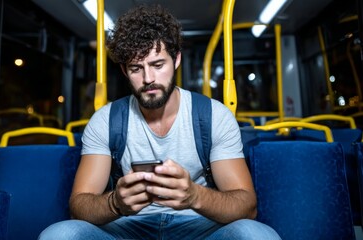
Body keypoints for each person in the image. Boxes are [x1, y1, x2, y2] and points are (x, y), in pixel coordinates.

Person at [39, 4, 281, 240]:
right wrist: (115, 203)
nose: (148, 79)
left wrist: (195, 196)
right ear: (124, 71)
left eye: (157, 65)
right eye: (136, 68)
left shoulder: (213, 115)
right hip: (128, 226)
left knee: (257, 235)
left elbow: (246, 205)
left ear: (176, 60)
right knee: (58, 235)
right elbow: (79, 205)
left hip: (198, 225)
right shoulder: (106, 120)